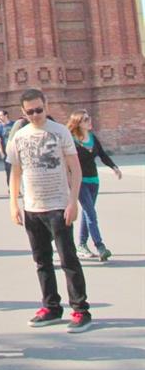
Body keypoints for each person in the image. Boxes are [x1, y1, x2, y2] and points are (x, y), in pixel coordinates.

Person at [8, 89, 92, 333]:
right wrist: (13, 203)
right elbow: (15, 173)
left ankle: (80, 309)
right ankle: (51, 307)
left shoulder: (60, 132)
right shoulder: (19, 136)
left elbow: (75, 170)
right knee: (41, 260)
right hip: (32, 207)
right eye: (30, 112)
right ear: (23, 112)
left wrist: (73, 202)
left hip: (58, 205)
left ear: (47, 105)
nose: (35, 115)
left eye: (39, 110)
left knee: (68, 259)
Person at [67, 110, 122, 261]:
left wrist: (114, 167)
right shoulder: (71, 140)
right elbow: (67, 162)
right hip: (80, 181)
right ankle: (100, 246)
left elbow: (103, 155)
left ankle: (82, 245)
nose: (89, 120)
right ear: (78, 123)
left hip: (94, 181)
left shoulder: (92, 137)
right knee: (91, 214)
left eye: (89, 118)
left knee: (87, 212)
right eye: (85, 119)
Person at [0, 109, 15, 186]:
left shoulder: (14, 125)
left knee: (18, 171)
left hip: (16, 151)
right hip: (7, 153)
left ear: (6, 115)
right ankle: (11, 188)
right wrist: (1, 153)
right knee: (9, 171)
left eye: (0, 115)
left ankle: (18, 187)